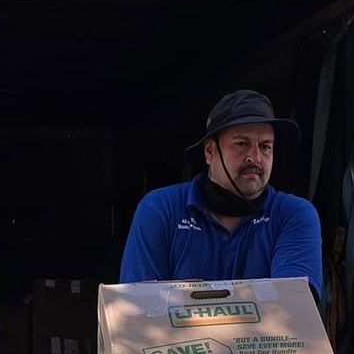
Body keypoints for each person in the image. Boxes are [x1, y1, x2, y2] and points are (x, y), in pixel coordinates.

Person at [119, 90, 324, 298]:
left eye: (265, 146)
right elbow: (138, 307)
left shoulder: (294, 214)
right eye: (242, 144)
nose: (255, 157)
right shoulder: (161, 208)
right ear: (210, 152)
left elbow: (293, 306)